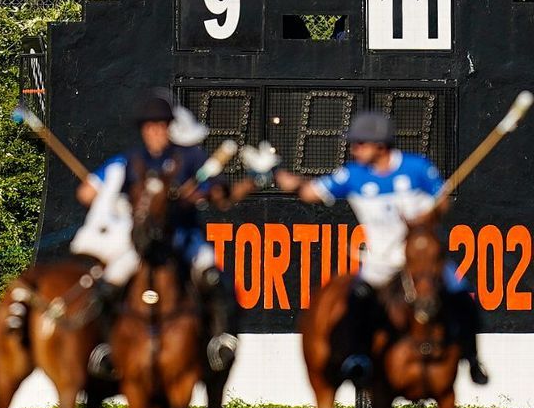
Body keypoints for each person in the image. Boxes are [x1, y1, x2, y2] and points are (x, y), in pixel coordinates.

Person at [273, 111, 488, 385]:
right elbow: (309, 192)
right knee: (356, 300)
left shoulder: (417, 168)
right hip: (382, 261)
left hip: (420, 259)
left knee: (460, 295)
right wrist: (276, 173)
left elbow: (443, 202)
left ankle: (472, 356)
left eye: (360, 143)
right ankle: (357, 357)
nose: (354, 149)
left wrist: (429, 216)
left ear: (381, 145)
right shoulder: (353, 175)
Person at [74, 88, 241, 376]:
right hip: (140, 242)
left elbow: (218, 189)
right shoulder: (130, 162)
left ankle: (221, 340)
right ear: (143, 130)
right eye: (150, 127)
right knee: (108, 283)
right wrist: (112, 198)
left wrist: (211, 190)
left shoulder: (189, 157)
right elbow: (87, 194)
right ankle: (105, 346)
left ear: (169, 128)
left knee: (212, 275)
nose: (156, 132)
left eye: (161, 126)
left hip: (182, 235)